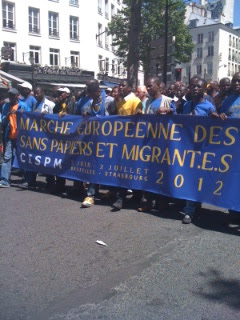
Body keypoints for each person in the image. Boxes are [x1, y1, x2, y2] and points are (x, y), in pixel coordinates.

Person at [137, 77, 175, 212]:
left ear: (158, 85)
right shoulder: (146, 103)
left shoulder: (168, 101)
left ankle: (162, 201)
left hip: (163, 144)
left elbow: (177, 119)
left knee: (162, 173)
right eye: (146, 86)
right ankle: (148, 200)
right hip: (149, 143)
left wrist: (168, 110)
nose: (148, 88)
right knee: (149, 173)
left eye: (150, 86)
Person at [181, 77, 215, 224]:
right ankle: (191, 207)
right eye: (193, 86)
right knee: (189, 177)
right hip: (185, 147)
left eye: (198, 87)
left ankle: (191, 208)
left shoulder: (209, 107)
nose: (195, 89)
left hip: (201, 149)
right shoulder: (186, 105)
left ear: (204, 90)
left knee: (196, 178)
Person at [111, 80, 142, 211]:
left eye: (124, 85)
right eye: (120, 86)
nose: (121, 88)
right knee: (122, 170)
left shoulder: (135, 101)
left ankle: (137, 196)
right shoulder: (120, 101)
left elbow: (140, 117)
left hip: (133, 141)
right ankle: (120, 198)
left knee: (133, 169)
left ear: (130, 87)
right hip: (122, 140)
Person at [22, 86, 56, 189]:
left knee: (48, 160)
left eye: (38, 93)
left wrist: (46, 117)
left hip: (48, 137)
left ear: (43, 92)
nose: (36, 95)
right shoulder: (36, 104)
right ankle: (31, 181)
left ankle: (50, 183)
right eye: (35, 93)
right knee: (34, 159)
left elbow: (56, 121)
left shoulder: (50, 105)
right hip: (37, 137)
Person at [81, 80, 106, 208]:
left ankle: (111, 193)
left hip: (107, 141)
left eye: (90, 91)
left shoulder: (108, 100)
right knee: (94, 165)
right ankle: (91, 194)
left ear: (97, 91)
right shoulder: (92, 102)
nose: (88, 94)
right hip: (95, 139)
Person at [0, 88, 30, 188]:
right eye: (10, 95)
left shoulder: (23, 106)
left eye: (13, 95)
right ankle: (5, 180)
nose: (11, 97)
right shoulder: (6, 106)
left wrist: (23, 114)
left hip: (21, 137)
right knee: (7, 158)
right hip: (9, 135)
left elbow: (31, 119)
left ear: (17, 96)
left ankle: (27, 180)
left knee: (23, 157)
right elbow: (3, 121)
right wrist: (7, 115)